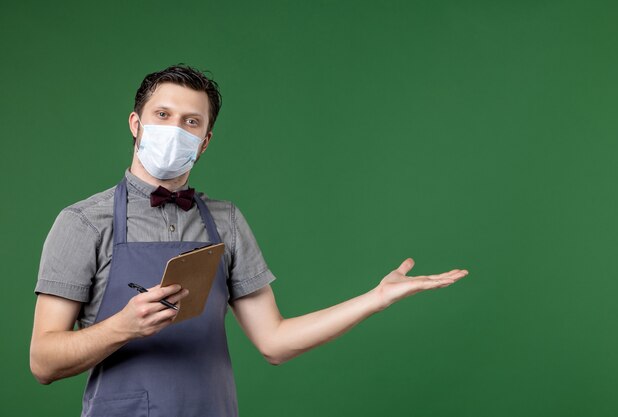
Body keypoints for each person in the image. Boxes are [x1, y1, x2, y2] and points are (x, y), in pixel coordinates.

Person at [30, 64, 468, 417]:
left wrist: (375, 298)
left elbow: (274, 342)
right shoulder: (84, 222)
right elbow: (43, 361)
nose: (174, 129)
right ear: (136, 124)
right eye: (162, 115)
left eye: (191, 122)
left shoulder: (227, 221)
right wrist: (122, 328)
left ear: (204, 142)